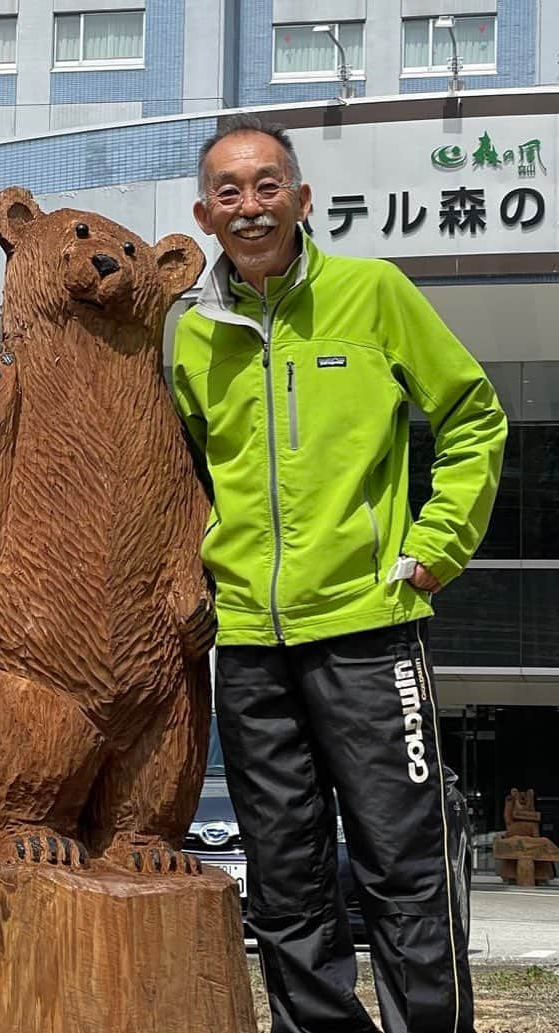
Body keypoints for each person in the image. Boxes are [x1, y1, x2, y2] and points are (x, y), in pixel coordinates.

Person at [172, 114, 506, 1033]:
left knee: (404, 865)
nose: (250, 206)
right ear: (205, 213)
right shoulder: (189, 336)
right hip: (247, 642)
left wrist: (438, 543)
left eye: (268, 185)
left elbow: (473, 415)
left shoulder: (373, 293)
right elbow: (186, 478)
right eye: (229, 192)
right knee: (283, 873)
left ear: (303, 199)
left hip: (369, 629)